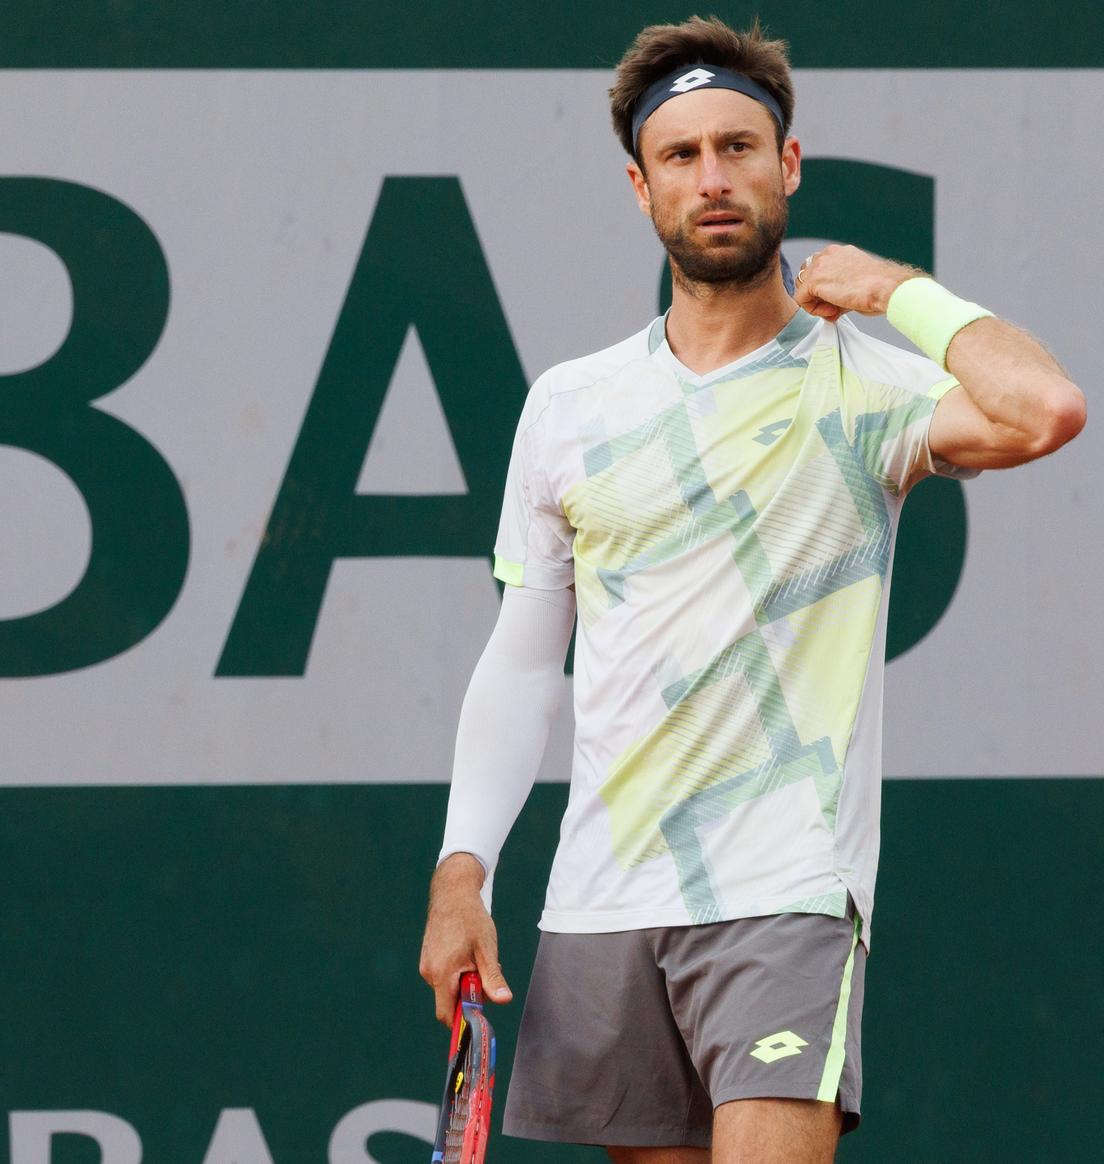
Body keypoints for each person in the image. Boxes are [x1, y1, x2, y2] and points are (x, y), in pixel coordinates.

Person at [418, 17, 1083, 1163]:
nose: (712, 178)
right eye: (681, 156)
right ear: (640, 186)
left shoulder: (869, 385)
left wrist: (895, 289)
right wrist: (461, 864)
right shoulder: (568, 406)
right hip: (603, 897)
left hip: (786, 885)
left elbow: (1047, 410)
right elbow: (527, 658)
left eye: (739, 147)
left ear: (789, 165)